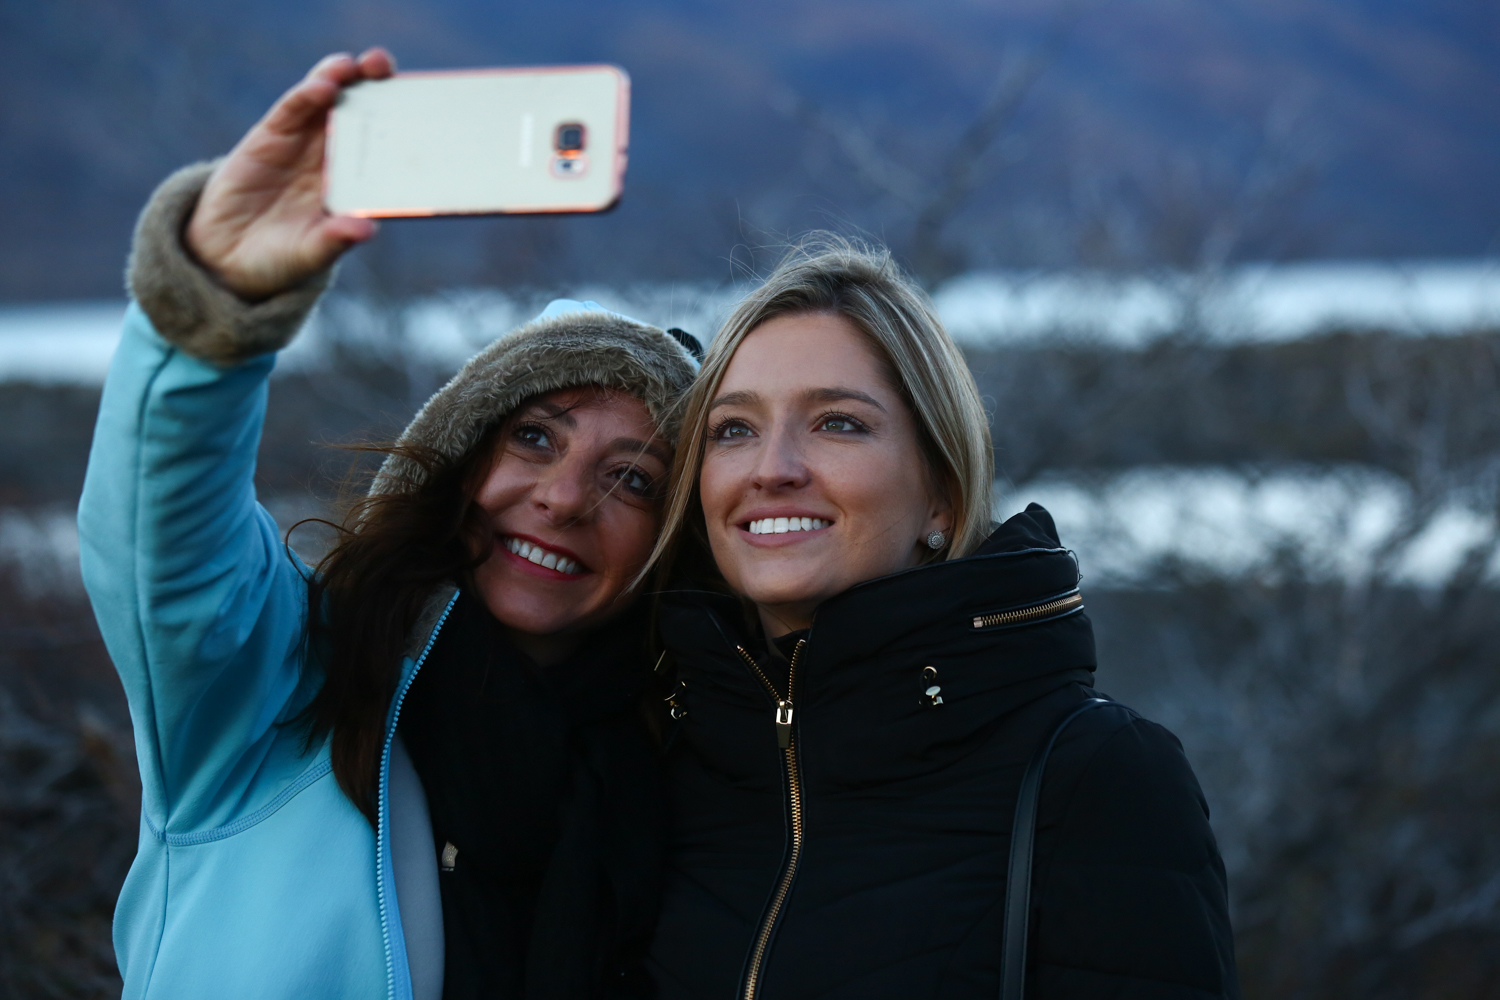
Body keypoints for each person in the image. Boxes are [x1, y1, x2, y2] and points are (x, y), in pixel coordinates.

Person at [78, 49, 699, 1000]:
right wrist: (212, 314)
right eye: (534, 437)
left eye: (633, 479)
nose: (566, 498)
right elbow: (162, 546)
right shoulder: (279, 684)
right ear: (461, 458)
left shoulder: (693, 772)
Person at [643, 237, 1241, 998]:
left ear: (943, 497)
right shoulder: (654, 758)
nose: (773, 468)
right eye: (734, 429)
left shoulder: (1097, 775)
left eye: (837, 423)